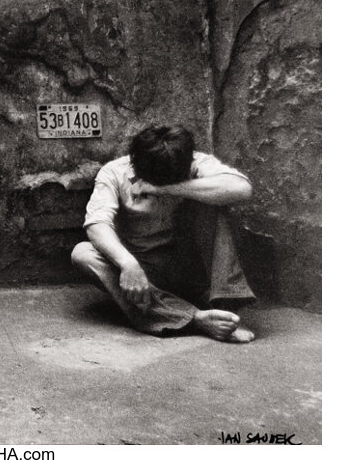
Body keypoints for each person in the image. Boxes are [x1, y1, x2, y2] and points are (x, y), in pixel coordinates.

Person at [71, 124, 256, 343]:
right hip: (143, 275)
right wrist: (128, 264)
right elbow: (97, 223)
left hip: (189, 267)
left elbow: (241, 189)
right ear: (134, 162)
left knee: (215, 202)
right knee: (82, 254)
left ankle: (227, 312)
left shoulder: (196, 162)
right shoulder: (114, 171)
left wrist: (164, 189)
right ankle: (196, 318)